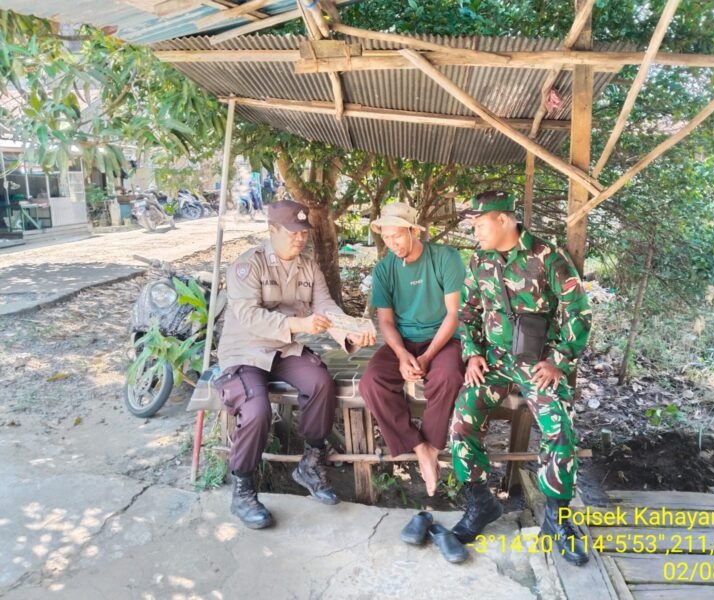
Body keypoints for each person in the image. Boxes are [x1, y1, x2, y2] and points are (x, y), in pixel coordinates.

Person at [449, 191, 592, 565]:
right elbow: (466, 313)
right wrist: (473, 353)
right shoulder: (479, 260)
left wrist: (559, 360)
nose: (475, 232)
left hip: (537, 362)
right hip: (494, 362)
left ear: (502, 220)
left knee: (559, 426)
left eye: (479, 225)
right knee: (463, 420)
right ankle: (480, 503)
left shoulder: (548, 257)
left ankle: (557, 520)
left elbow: (578, 311)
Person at [215, 199, 375, 529]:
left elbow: (326, 306)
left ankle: (311, 463)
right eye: (293, 233)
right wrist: (300, 325)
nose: (300, 239)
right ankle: (243, 489)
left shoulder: (308, 266)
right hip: (245, 350)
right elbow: (248, 316)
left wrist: (351, 331)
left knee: (320, 382)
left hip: (284, 349)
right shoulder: (248, 265)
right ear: (272, 231)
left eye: (304, 233)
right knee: (256, 408)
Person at [359, 202, 466, 496]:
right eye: (386, 237)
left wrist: (428, 356)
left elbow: (453, 314)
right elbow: (386, 321)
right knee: (371, 383)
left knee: (448, 376)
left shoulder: (446, 258)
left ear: (413, 231)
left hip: (442, 338)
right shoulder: (384, 269)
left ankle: (432, 444)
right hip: (404, 340)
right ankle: (418, 446)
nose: (392, 244)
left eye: (397, 236)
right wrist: (402, 354)